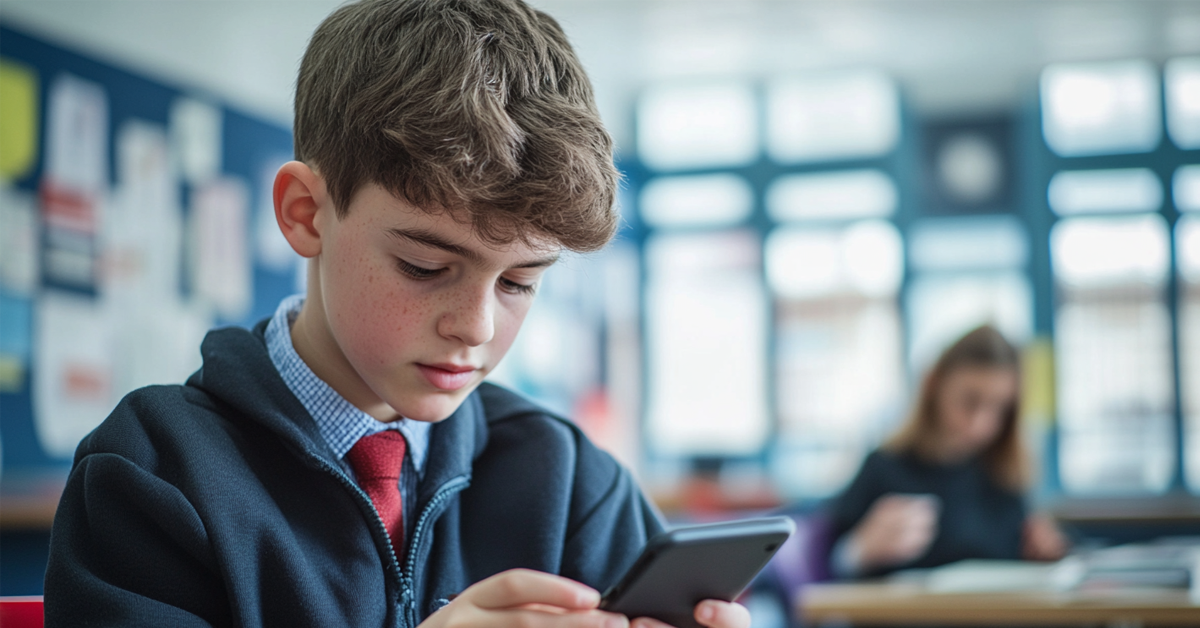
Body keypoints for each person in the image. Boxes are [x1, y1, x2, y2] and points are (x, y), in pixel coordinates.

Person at [42, 2, 751, 627]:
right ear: (305, 213)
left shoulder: (568, 483)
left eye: (520, 283)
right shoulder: (151, 475)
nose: (474, 327)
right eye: (426, 267)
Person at [828, 325, 1068, 578]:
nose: (981, 425)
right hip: (909, 617)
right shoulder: (884, 467)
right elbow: (828, 567)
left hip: (995, 615)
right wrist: (859, 549)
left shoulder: (1004, 475)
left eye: (999, 408)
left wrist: (1046, 550)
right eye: (969, 401)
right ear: (934, 384)